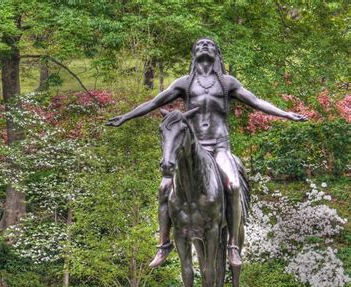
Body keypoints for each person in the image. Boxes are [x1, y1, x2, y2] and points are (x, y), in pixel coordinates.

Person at [106, 38, 307, 268]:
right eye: (199, 44)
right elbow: (154, 103)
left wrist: (286, 114)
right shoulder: (184, 83)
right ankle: (163, 245)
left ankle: (232, 246)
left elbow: (256, 101)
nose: (204, 46)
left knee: (232, 185)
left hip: (220, 146)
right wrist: (125, 117)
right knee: (163, 188)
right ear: (194, 54)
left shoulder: (227, 83)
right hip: (194, 149)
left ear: (217, 54)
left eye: (209, 44)